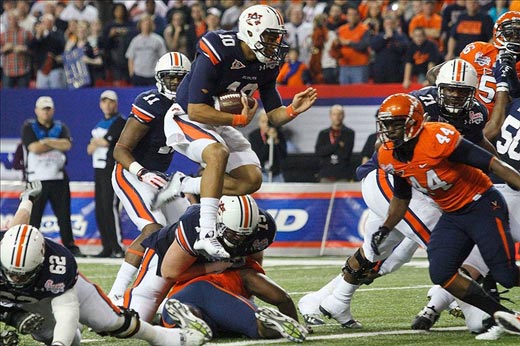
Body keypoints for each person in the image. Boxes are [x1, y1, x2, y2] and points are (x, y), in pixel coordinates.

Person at [298, 59, 517, 335]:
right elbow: (388, 148)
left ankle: (330, 301)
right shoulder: (418, 105)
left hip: (420, 183)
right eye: (450, 90)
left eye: (462, 92)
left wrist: (496, 163)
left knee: (385, 254)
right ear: (437, 88)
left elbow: (479, 144)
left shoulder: (473, 113)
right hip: (390, 176)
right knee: (441, 240)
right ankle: (482, 313)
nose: (455, 96)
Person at [154, 4, 317, 259]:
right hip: (185, 116)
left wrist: (293, 110)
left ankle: (184, 184)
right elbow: (196, 110)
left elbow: (274, 115)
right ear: (252, 32)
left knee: (251, 180)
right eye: (271, 37)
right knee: (217, 153)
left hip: (220, 122)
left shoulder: (267, 64)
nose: (276, 44)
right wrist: (237, 118)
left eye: (277, 38)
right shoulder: (218, 48)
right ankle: (207, 234)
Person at [373, 93, 520, 336]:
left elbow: (493, 164)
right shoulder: (387, 155)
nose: (389, 130)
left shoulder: (438, 138)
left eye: (395, 124)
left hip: (482, 204)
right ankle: (501, 315)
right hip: (452, 215)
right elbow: (401, 196)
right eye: (386, 124)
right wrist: (386, 227)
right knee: (441, 272)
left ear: (413, 122)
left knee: (505, 274)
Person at [0, 181, 205, 346]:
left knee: (112, 322)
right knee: (56, 336)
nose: (17, 279)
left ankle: (161, 337)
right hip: (24, 300)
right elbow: (16, 229)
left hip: (57, 295)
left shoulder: (57, 264)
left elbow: (66, 312)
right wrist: (13, 316)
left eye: (23, 274)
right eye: (12, 272)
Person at [109, 52, 192, 304]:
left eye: (181, 79)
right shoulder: (151, 102)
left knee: (189, 230)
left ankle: (173, 295)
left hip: (159, 176)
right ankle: (115, 295)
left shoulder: (193, 105)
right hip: (133, 172)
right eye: (171, 78)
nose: (176, 84)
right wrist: (141, 172)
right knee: (153, 229)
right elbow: (120, 150)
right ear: (159, 79)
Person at [122, 195, 275, 324]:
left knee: (220, 307)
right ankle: (162, 308)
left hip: (218, 262)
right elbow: (170, 273)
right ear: (219, 221)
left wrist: (248, 293)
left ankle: (181, 311)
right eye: (233, 233)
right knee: (137, 320)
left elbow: (254, 258)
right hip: (169, 257)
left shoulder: (263, 227)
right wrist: (213, 267)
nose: (239, 239)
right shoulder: (195, 224)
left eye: (245, 235)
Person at [162, 263, 307, 343]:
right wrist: (295, 322)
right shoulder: (245, 271)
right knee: (257, 327)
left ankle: (187, 312)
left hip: (180, 294)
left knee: (194, 325)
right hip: (214, 293)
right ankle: (267, 324)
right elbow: (282, 298)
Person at [21, 96, 83, 257]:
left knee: (64, 215)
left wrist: (46, 141)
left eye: (48, 109)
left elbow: (67, 145)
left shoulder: (60, 126)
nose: (46, 112)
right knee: (34, 217)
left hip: (58, 177)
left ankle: (70, 246)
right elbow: (33, 148)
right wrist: (55, 143)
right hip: (36, 179)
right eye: (43, 109)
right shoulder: (29, 126)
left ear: (53, 110)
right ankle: (29, 246)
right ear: (37, 111)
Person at [87, 90, 125, 258]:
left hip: (111, 168)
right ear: (100, 104)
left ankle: (117, 246)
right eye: (104, 101)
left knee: (110, 207)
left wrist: (97, 143)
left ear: (115, 104)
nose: (107, 105)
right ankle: (106, 246)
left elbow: (105, 142)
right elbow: (90, 149)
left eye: (111, 102)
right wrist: (97, 143)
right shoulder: (99, 124)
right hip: (99, 169)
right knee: (101, 209)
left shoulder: (120, 122)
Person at [314, 104, 355, 182]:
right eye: (334, 114)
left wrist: (328, 149)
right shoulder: (323, 133)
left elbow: (346, 154)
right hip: (326, 174)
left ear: (343, 116)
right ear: (330, 116)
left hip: (343, 175)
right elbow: (319, 152)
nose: (337, 117)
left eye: (339, 114)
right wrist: (337, 145)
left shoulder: (349, 133)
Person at [125, 15, 167, 86]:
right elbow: (130, 58)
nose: (146, 25)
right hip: (138, 74)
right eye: (144, 23)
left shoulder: (158, 40)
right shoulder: (135, 40)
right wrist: (132, 74)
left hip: (153, 74)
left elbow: (163, 57)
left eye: (148, 23)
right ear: (140, 25)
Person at [248, 112, 287, 183]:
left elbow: (283, 155)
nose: (266, 125)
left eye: (268, 122)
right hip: (261, 172)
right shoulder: (254, 135)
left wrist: (276, 141)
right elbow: (258, 157)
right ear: (259, 123)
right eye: (263, 122)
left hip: (276, 173)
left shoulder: (279, 134)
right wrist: (268, 143)